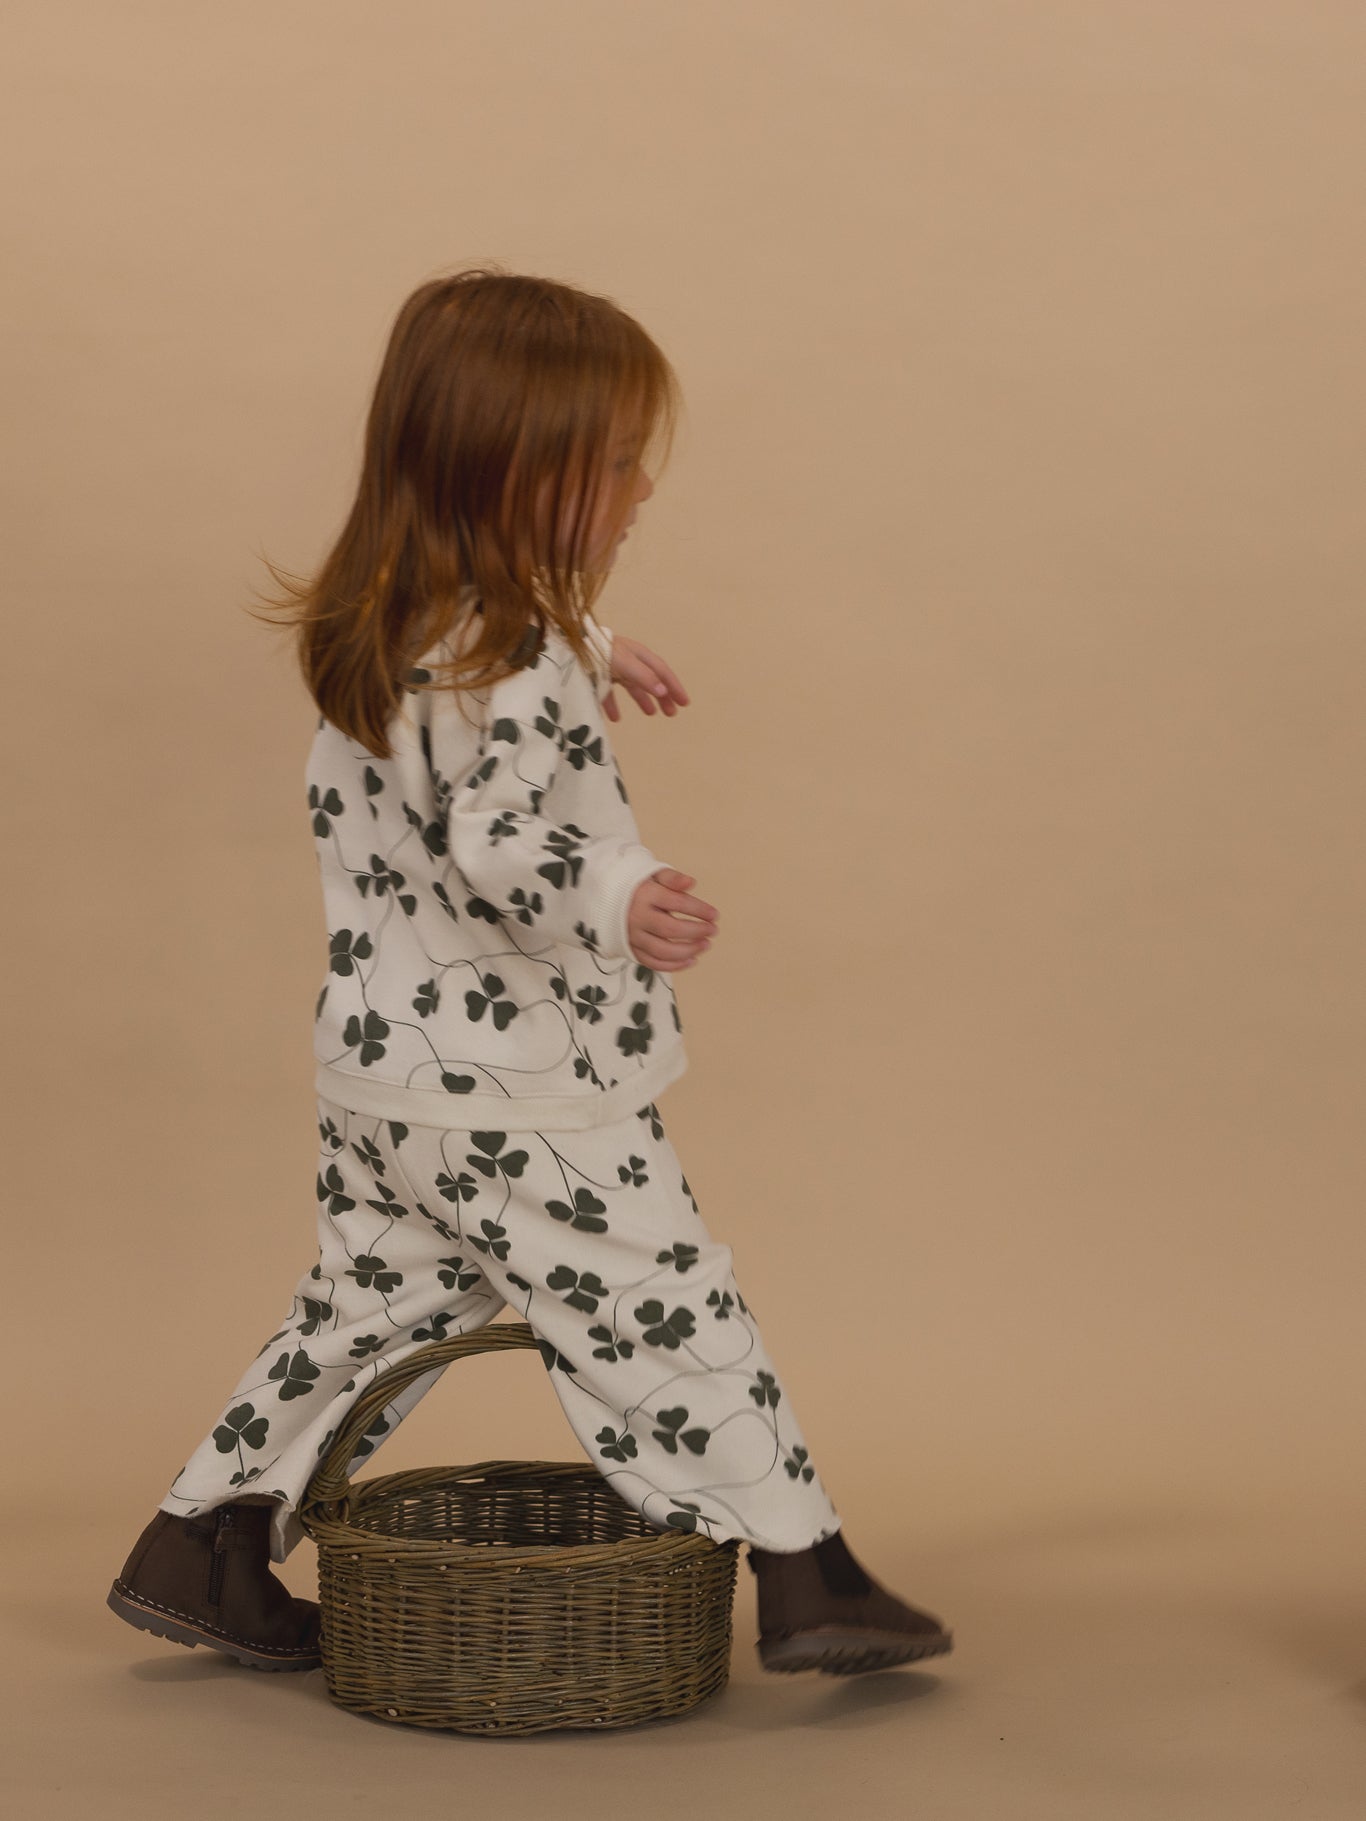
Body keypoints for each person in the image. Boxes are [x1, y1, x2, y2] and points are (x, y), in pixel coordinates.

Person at [107, 268, 953, 1680]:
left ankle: (203, 1537)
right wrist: (621, 894)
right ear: (513, 472)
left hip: (387, 1080)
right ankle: (806, 1569)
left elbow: (457, 727)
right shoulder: (508, 656)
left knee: (375, 1307)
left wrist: (595, 646)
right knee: (664, 1295)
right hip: (519, 1092)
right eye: (614, 462)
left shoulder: (399, 622)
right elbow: (492, 829)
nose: (639, 491)